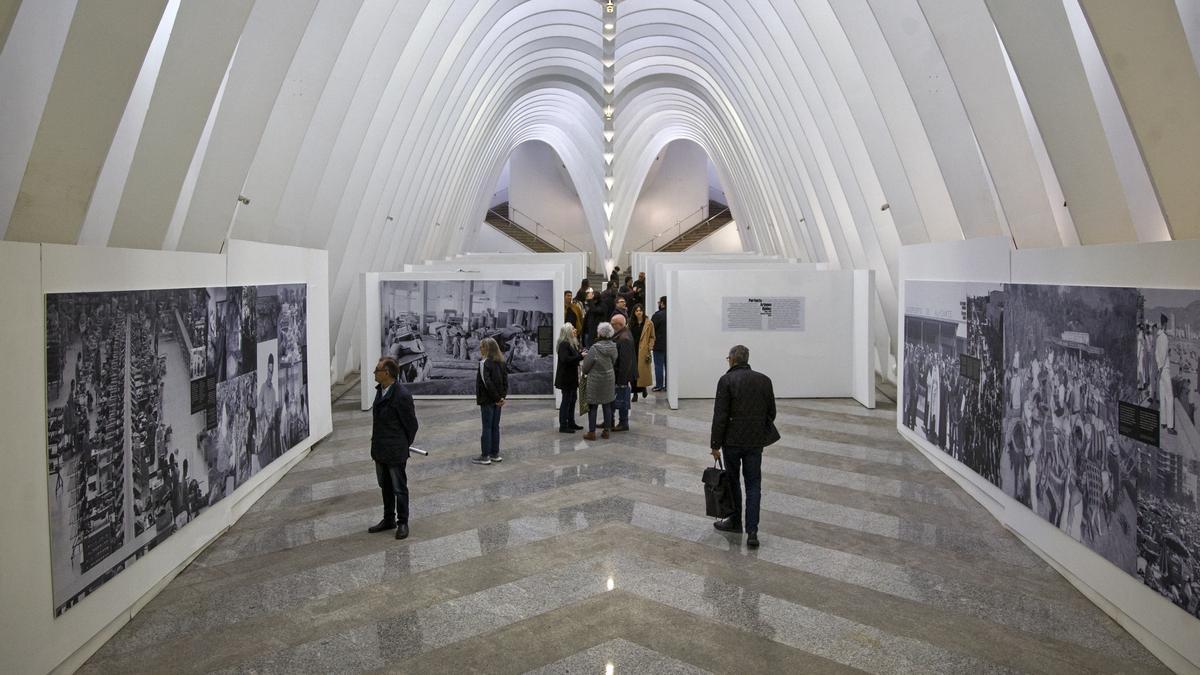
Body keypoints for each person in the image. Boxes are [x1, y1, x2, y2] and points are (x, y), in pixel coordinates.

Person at [710, 345, 779, 548]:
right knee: (753, 485)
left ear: (732, 359)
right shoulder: (764, 380)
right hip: (755, 442)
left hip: (731, 442)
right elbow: (771, 412)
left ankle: (735, 521)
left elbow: (720, 416)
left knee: (733, 483)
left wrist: (715, 445)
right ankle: (752, 531)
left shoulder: (726, 380)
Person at [369, 356, 419, 540]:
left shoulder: (402, 395)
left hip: (395, 450)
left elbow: (411, 425)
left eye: (377, 370)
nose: (374, 373)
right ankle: (388, 518)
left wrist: (403, 444)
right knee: (385, 486)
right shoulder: (380, 390)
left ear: (386, 373)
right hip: (380, 449)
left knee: (399, 488)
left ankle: (403, 522)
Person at [473, 337, 508, 464]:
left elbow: (487, 383)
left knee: (487, 428)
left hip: (488, 400)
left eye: (481, 347)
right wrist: (502, 398)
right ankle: (495, 454)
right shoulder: (502, 362)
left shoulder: (484, 363)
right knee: (495, 427)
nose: (480, 349)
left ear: (486, 348)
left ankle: (485, 456)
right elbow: (505, 382)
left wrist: (498, 398)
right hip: (498, 400)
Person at [581, 322, 618, 440]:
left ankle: (592, 432)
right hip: (609, 378)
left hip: (595, 380)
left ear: (600, 333)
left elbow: (586, 366)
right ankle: (606, 431)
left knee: (593, 406)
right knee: (607, 405)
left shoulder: (595, 348)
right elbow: (614, 361)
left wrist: (585, 372)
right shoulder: (614, 347)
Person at [555, 323, 584, 433]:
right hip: (566, 378)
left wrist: (580, 353)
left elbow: (572, 357)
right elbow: (565, 359)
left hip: (572, 378)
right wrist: (580, 356)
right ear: (567, 331)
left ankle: (571, 422)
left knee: (572, 400)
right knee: (566, 401)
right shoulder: (564, 344)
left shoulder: (571, 343)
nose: (575, 330)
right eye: (572, 328)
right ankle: (563, 425)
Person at [610, 313, 635, 431]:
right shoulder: (622, 334)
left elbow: (625, 362)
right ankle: (609, 420)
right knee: (616, 398)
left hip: (621, 376)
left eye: (612, 324)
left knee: (622, 400)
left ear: (619, 325)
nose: (611, 326)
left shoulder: (624, 338)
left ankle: (623, 422)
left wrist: (621, 379)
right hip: (619, 374)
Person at [1157, 315, 1175, 435]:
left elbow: (1156, 353)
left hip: (1160, 369)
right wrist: (1162, 366)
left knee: (1162, 395)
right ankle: (1170, 426)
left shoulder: (1158, 337)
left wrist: (1158, 366)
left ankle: (1163, 421)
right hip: (1165, 369)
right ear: (1165, 324)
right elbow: (1163, 355)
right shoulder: (1164, 337)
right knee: (1170, 397)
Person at [634, 304, 655, 399]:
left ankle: (643, 388)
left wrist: (649, 347)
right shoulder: (630, 323)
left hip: (643, 351)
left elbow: (652, 337)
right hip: (633, 350)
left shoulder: (649, 323)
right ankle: (634, 393)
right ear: (634, 312)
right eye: (637, 310)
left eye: (640, 310)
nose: (639, 312)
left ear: (643, 312)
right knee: (633, 373)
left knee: (642, 372)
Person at [651, 296, 667, 391]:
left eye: (659, 302)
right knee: (668, 365)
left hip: (659, 345)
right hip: (668, 345)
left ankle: (659, 385)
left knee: (658, 366)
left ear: (662, 303)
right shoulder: (671, 314)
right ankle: (668, 385)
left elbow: (651, 329)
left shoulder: (658, 315)